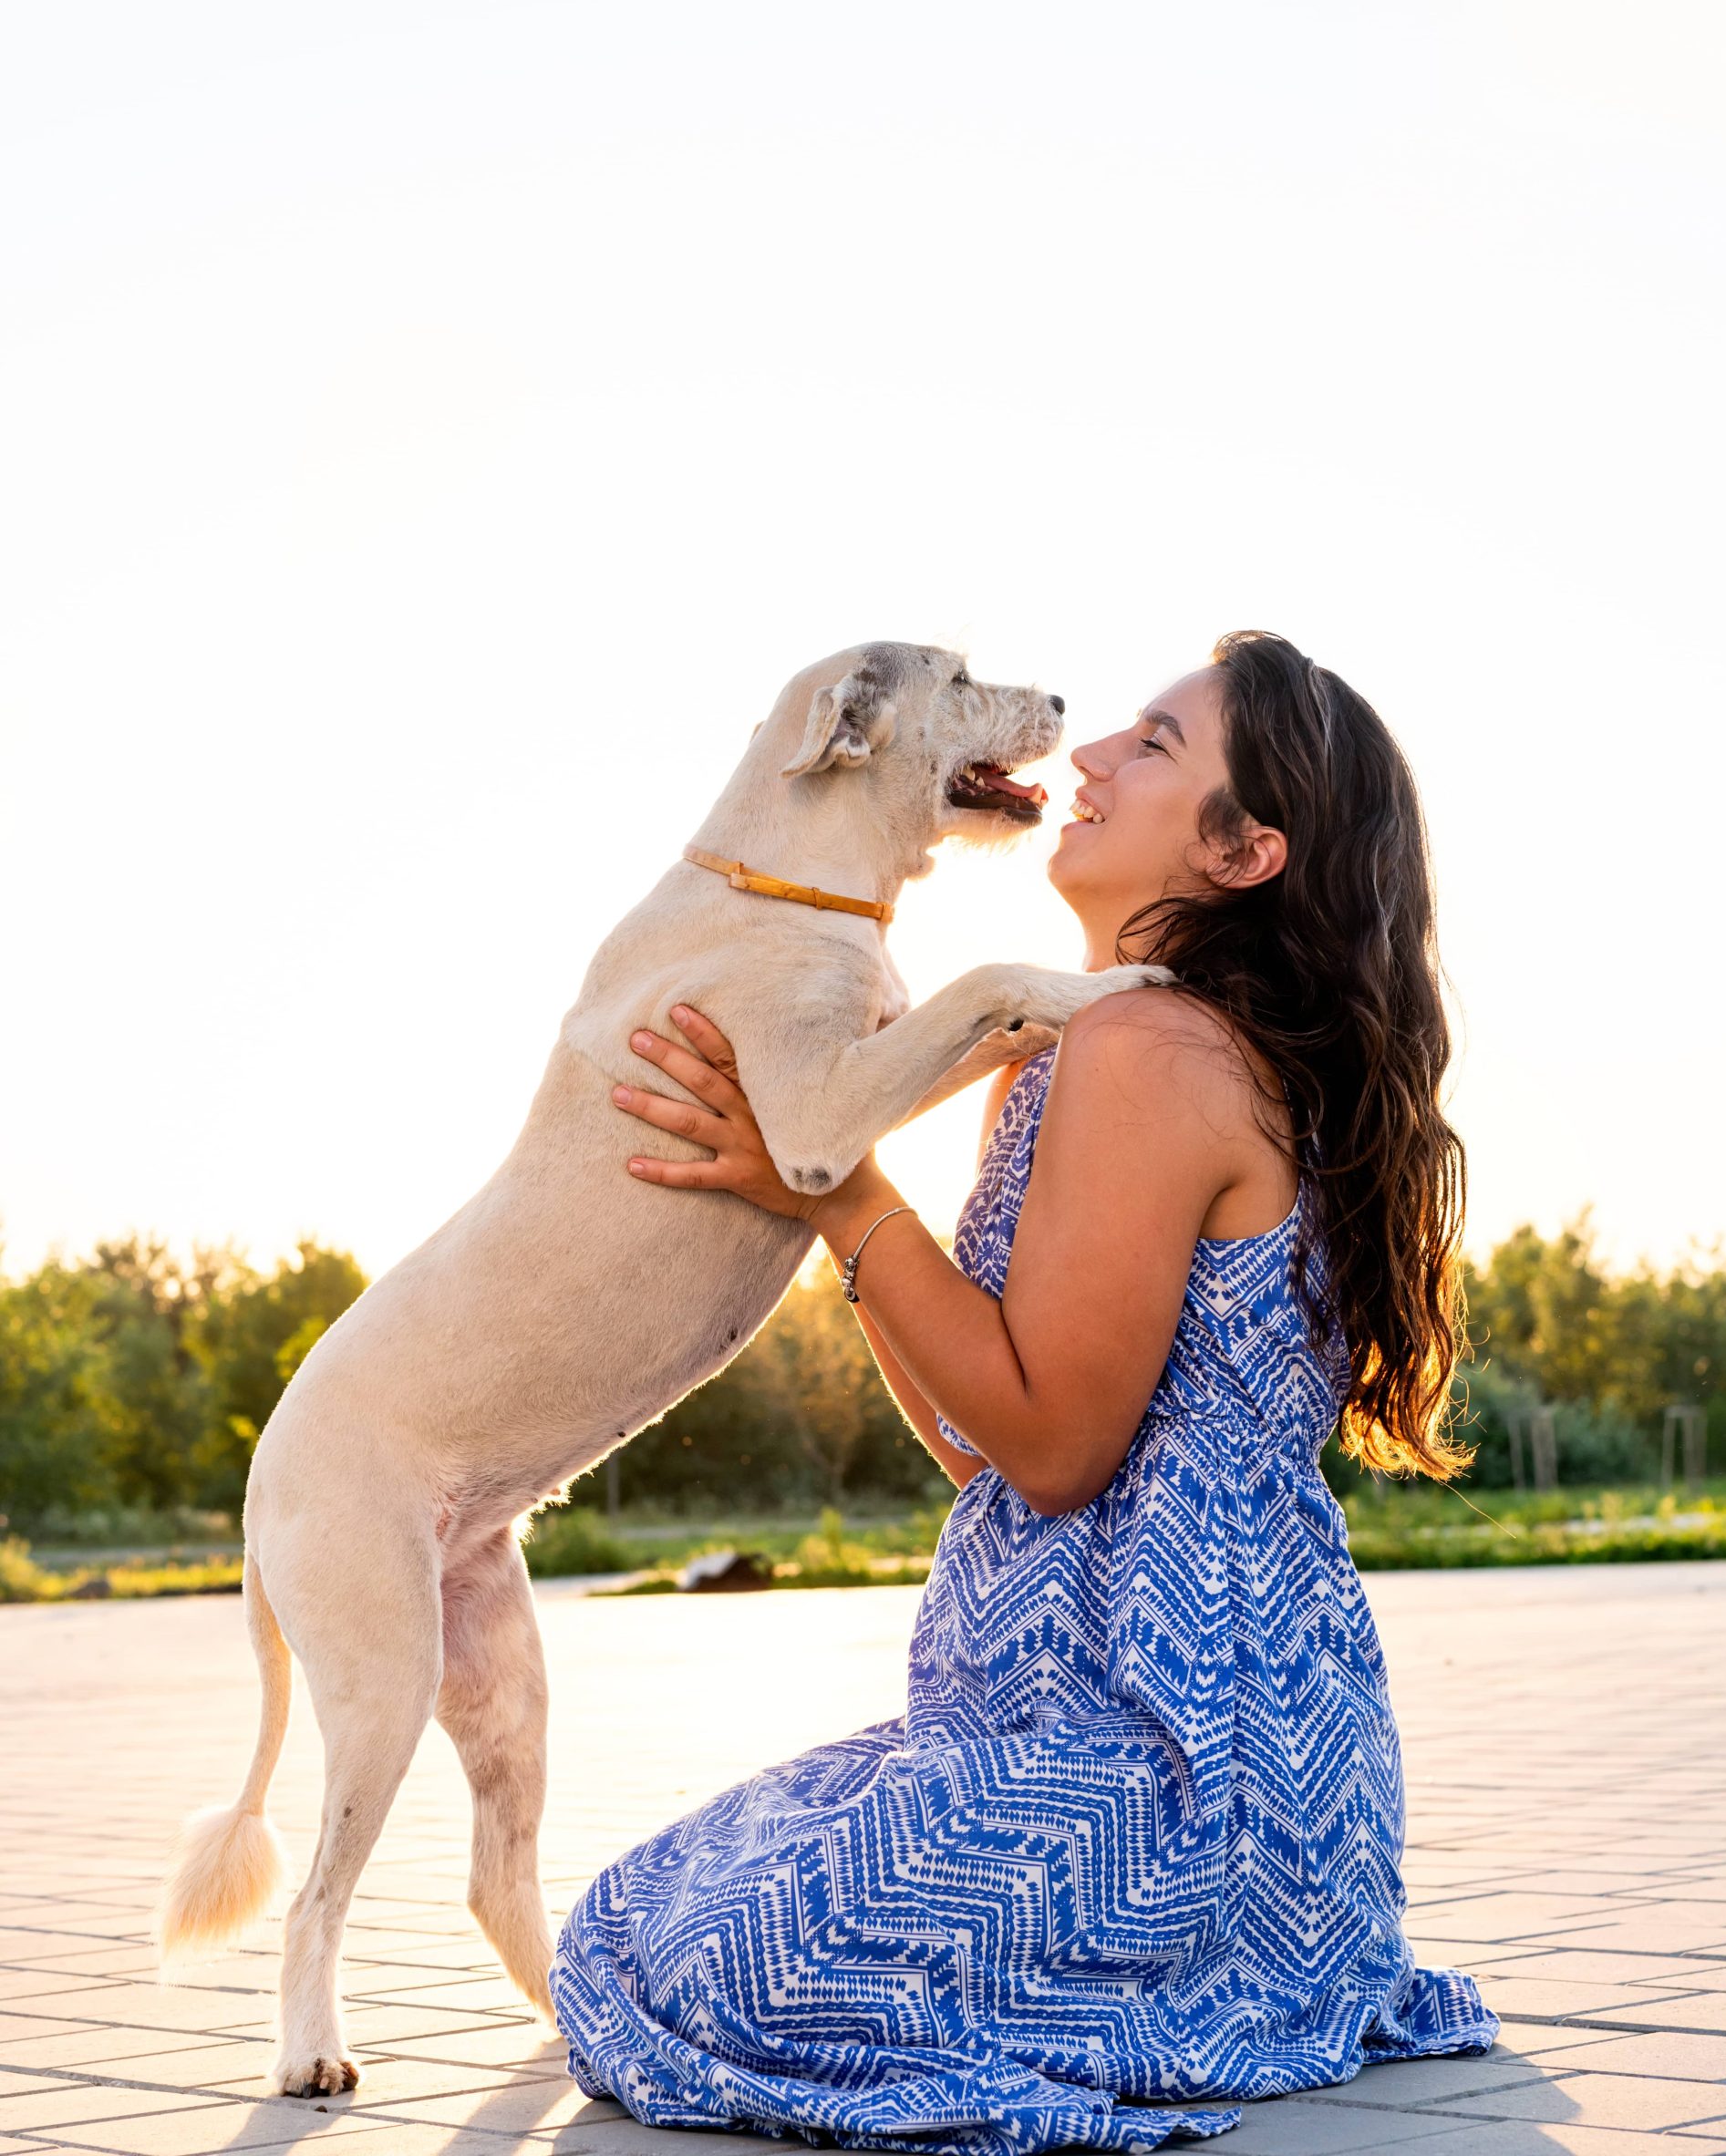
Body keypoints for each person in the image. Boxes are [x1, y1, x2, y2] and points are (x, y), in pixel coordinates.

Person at [550, 631, 1500, 2151]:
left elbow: (1056, 1449)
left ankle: (1168, 1974)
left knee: (672, 1956)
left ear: (1247, 849)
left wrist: (843, 1190)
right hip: (1178, 1762)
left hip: (1173, 1775)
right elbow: (982, 1435)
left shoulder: (1147, 1047)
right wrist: (830, 1207)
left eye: (1156, 746)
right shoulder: (1082, 1046)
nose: (1092, 758)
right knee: (630, 1920)